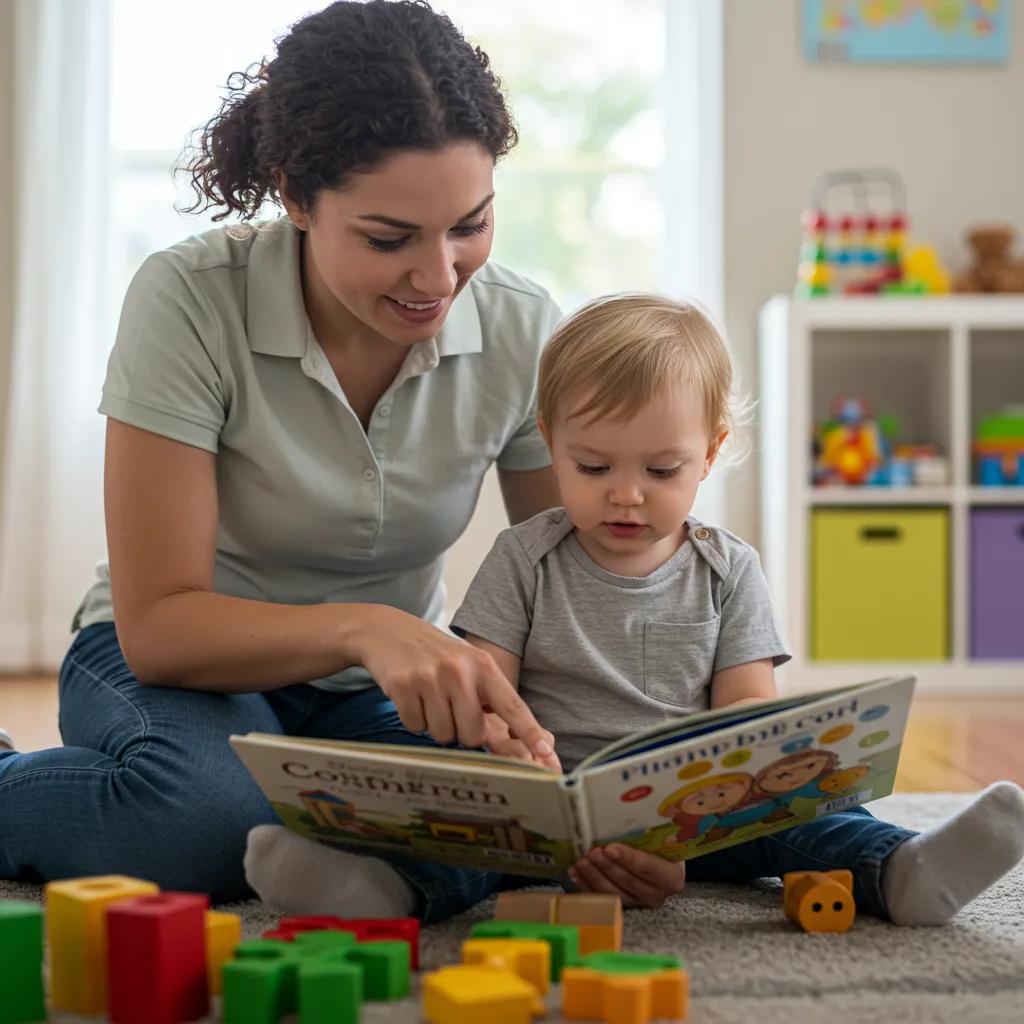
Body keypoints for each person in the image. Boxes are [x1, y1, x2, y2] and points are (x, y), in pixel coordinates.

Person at [0, 0, 564, 923]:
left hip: (373, 698)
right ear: (297, 198)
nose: (438, 278)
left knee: (518, 817)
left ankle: (368, 870)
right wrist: (364, 630)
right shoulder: (188, 299)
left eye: (471, 225)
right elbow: (160, 626)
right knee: (205, 822)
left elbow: (570, 580)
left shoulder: (520, 324)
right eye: (390, 239)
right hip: (179, 669)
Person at [249, 293, 1024, 925]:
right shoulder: (525, 557)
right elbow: (488, 693)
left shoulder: (729, 570)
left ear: (711, 453)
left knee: (808, 827)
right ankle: (376, 895)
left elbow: (751, 728)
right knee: (459, 835)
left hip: (697, 814)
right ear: (551, 445)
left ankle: (902, 873)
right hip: (547, 811)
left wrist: (686, 833)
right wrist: (503, 756)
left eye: (661, 468)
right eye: (593, 466)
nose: (626, 492)